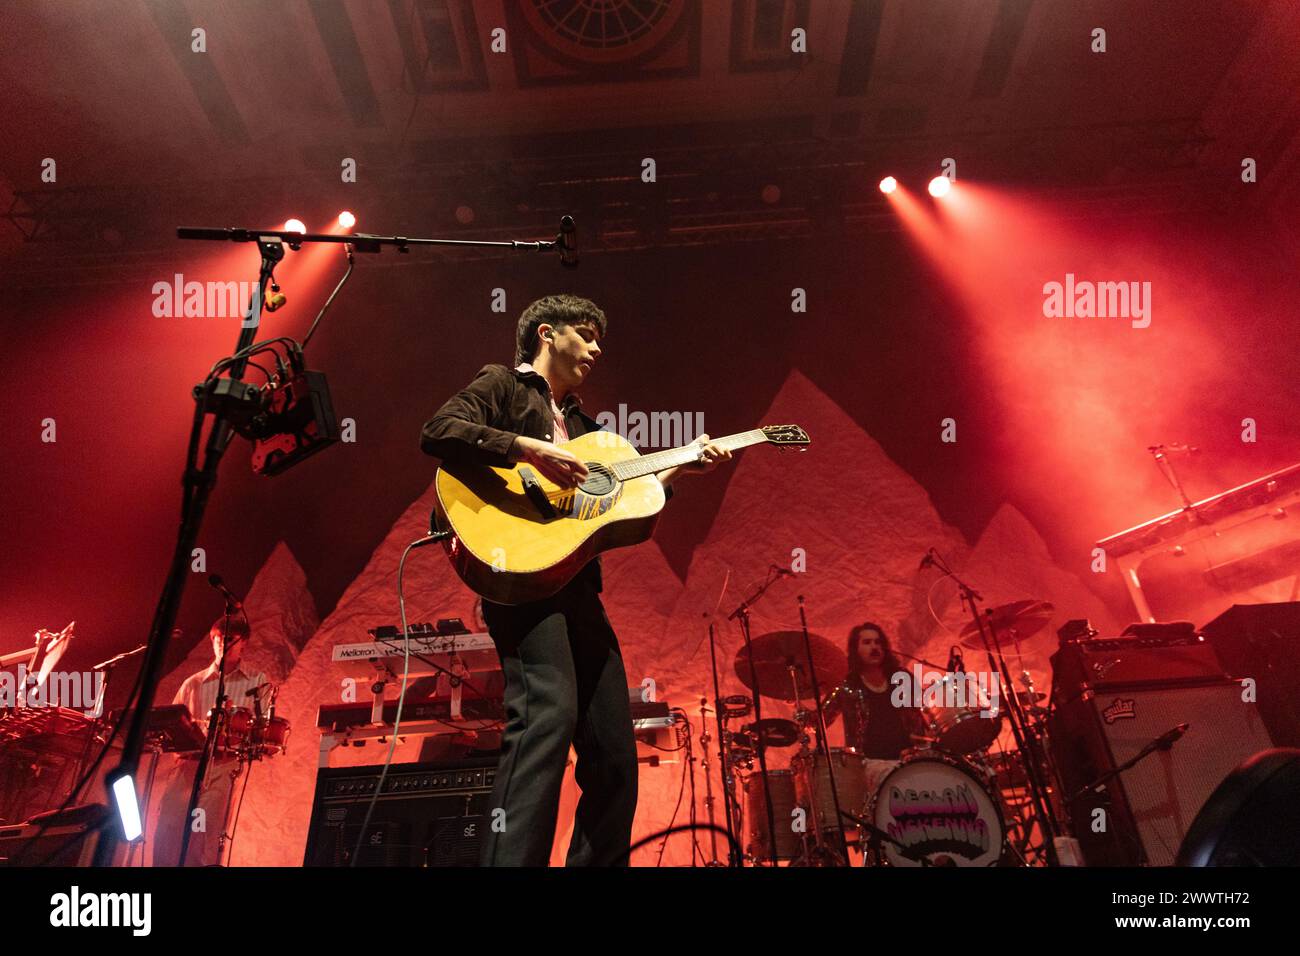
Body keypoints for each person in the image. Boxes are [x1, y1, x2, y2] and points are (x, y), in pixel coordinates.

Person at [420, 294, 732, 866]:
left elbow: (619, 507)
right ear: (546, 334)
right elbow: (439, 430)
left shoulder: (589, 429)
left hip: (578, 587)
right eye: (585, 335)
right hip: (520, 576)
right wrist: (524, 447)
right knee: (547, 717)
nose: (596, 348)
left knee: (615, 754)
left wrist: (677, 466)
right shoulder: (504, 386)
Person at [152, 615, 269, 866]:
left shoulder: (257, 682)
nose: (222, 643)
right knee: (168, 827)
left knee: (205, 828)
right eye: (217, 639)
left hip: (225, 764)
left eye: (229, 639)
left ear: (243, 643)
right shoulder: (193, 683)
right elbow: (171, 725)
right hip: (188, 765)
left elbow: (261, 730)